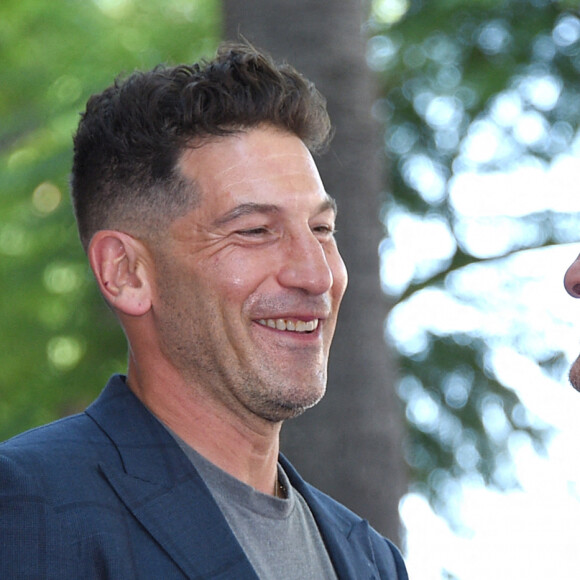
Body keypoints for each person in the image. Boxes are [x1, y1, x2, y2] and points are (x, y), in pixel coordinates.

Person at [0, 43, 408, 579]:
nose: (317, 275)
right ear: (125, 273)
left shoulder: (371, 560)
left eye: (322, 229)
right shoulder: (31, 506)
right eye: (255, 231)